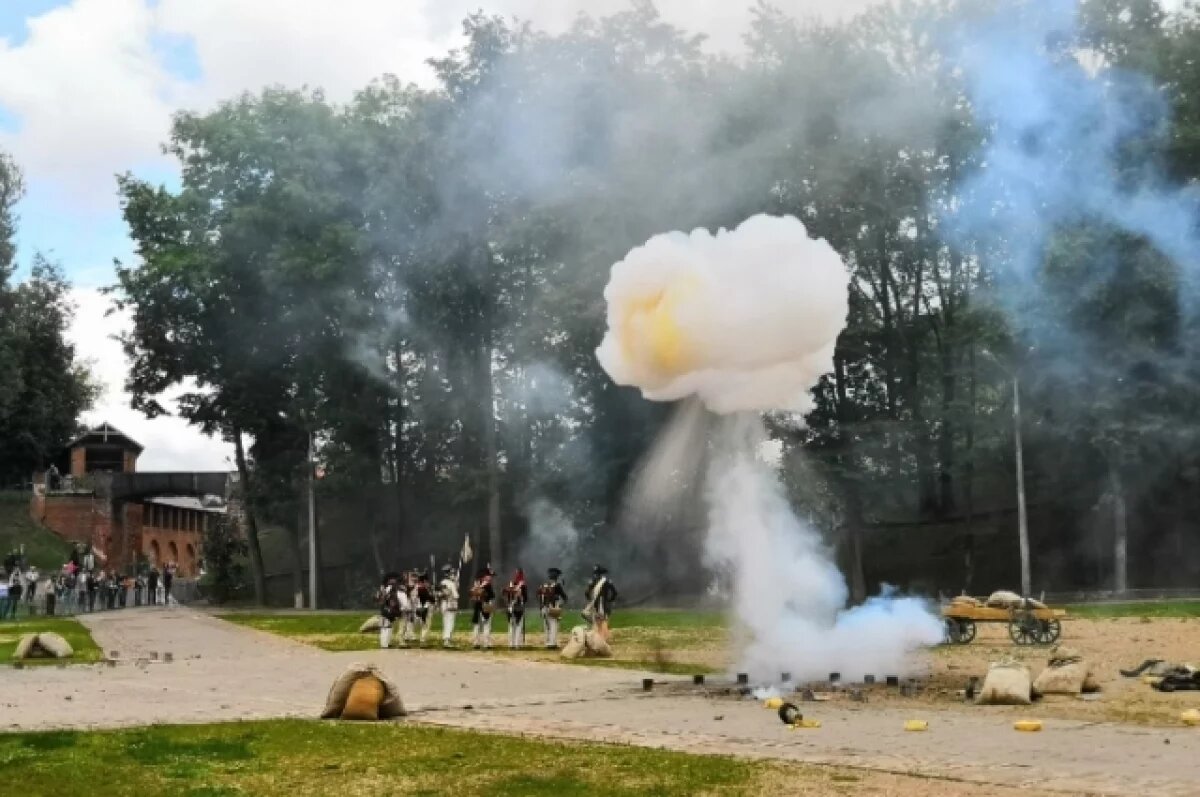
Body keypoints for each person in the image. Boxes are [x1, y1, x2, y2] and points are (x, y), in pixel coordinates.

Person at [583, 565, 618, 642]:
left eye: (597, 573)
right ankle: (598, 636)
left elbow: (614, 592)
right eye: (595, 573)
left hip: (602, 603)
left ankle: (602, 637)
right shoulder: (595, 581)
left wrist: (609, 600)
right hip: (596, 603)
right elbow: (587, 592)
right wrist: (590, 599)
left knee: (601, 620)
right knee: (593, 617)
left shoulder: (605, 581)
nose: (596, 575)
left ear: (600, 574)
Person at [538, 567, 569, 649]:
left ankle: (547, 642)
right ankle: (552, 643)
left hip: (544, 608)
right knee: (554, 625)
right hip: (553, 608)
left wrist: (541, 608)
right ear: (557, 576)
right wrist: (560, 605)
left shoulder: (544, 585)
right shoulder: (557, 585)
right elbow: (565, 597)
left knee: (546, 626)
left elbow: (540, 597)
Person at [469, 566, 496, 650]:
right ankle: (486, 643)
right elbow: (492, 595)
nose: (491, 577)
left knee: (477, 625)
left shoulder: (476, 583)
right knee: (487, 625)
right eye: (489, 576)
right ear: (485, 576)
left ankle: (476, 642)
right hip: (485, 605)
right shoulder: (486, 584)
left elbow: (471, 594)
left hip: (477, 606)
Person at [376, 572, 404, 649]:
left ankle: (386, 643)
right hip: (387, 610)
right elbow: (380, 599)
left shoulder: (385, 589)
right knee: (386, 627)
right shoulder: (388, 589)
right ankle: (384, 645)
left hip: (386, 609)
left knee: (388, 627)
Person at [503, 568, 528, 650]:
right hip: (519, 608)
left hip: (511, 607)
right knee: (518, 626)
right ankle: (517, 644)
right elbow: (525, 598)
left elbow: (505, 594)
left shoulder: (511, 584)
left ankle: (511, 644)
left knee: (511, 626)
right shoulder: (523, 585)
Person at [437, 564, 459, 649]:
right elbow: (456, 595)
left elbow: (439, 594)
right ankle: (447, 639)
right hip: (451, 604)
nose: (453, 575)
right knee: (450, 622)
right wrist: (456, 586)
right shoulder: (451, 584)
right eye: (452, 574)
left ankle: (445, 638)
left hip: (443, 604)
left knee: (445, 622)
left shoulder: (442, 582)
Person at [412, 571, 435, 646]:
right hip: (424, 608)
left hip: (418, 608)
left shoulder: (416, 588)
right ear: (424, 581)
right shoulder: (422, 588)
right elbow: (430, 599)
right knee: (426, 625)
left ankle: (420, 638)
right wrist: (433, 597)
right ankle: (423, 640)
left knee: (422, 624)